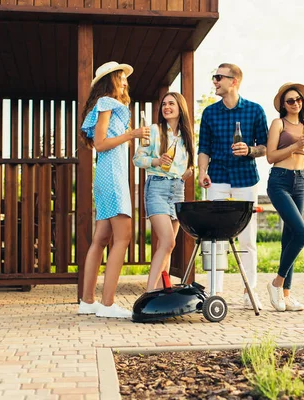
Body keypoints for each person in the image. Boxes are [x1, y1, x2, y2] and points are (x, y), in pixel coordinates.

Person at [77, 61, 150, 319]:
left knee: (101, 239)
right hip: (112, 177)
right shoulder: (107, 103)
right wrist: (132, 134)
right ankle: (107, 305)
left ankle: (88, 301)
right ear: (110, 80)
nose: (126, 82)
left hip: (110, 175)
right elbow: (100, 142)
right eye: (121, 78)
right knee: (123, 237)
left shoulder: (109, 105)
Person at [198, 63, 268, 309]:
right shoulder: (209, 113)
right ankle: (214, 291)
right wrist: (202, 172)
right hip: (216, 178)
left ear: (234, 81)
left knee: (247, 239)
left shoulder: (255, 110)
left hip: (246, 179)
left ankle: (250, 293)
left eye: (218, 77)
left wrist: (249, 149)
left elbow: (266, 147)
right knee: (214, 237)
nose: (214, 81)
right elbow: (204, 148)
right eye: (214, 76)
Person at [265, 83, 304, 312]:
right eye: (290, 100)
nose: (295, 103)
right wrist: (295, 146)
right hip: (279, 181)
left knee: (289, 237)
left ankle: (286, 295)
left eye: (299, 100)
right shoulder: (278, 124)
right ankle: (276, 283)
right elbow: (270, 156)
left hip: (300, 181)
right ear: (283, 104)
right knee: (302, 234)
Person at [133, 92, 195, 292]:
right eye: (164, 104)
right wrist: (156, 161)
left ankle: (162, 291)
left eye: (171, 104)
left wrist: (187, 173)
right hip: (157, 187)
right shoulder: (154, 130)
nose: (166, 107)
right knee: (168, 242)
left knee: (167, 247)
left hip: (177, 189)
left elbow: (189, 165)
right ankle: (150, 292)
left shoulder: (186, 136)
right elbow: (137, 159)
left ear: (180, 107)